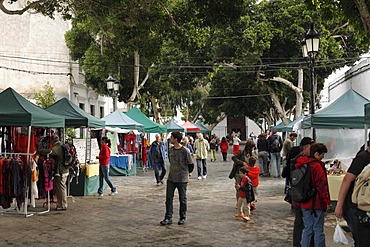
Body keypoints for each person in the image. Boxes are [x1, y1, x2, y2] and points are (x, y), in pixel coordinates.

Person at [294, 143, 331, 247]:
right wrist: (327, 202)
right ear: (316, 154)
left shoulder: (301, 163)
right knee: (318, 228)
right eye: (322, 154)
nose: (323, 157)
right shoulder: (317, 166)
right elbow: (322, 186)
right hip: (316, 203)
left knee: (307, 228)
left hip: (303, 201)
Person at [334, 139, 370, 247]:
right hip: (354, 207)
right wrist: (339, 206)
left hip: (365, 207)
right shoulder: (363, 158)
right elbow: (347, 180)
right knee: (361, 240)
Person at [160, 132, 194, 226]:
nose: (170, 139)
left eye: (171, 137)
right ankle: (168, 217)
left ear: (176, 139)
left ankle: (182, 217)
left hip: (182, 179)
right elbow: (170, 161)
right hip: (171, 178)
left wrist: (187, 172)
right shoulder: (171, 150)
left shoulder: (185, 151)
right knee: (169, 198)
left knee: (182, 199)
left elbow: (191, 164)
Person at [287, 137, 315, 247]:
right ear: (305, 147)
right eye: (311, 147)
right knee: (301, 221)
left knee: (300, 221)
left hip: (298, 195)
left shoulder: (297, 160)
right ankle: (300, 243)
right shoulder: (302, 160)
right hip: (302, 195)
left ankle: (299, 243)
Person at [38, 135, 68, 210]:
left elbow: (48, 151)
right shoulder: (61, 145)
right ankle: (63, 204)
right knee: (63, 187)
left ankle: (62, 205)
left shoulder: (57, 147)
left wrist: (40, 149)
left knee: (60, 188)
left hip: (60, 171)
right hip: (65, 170)